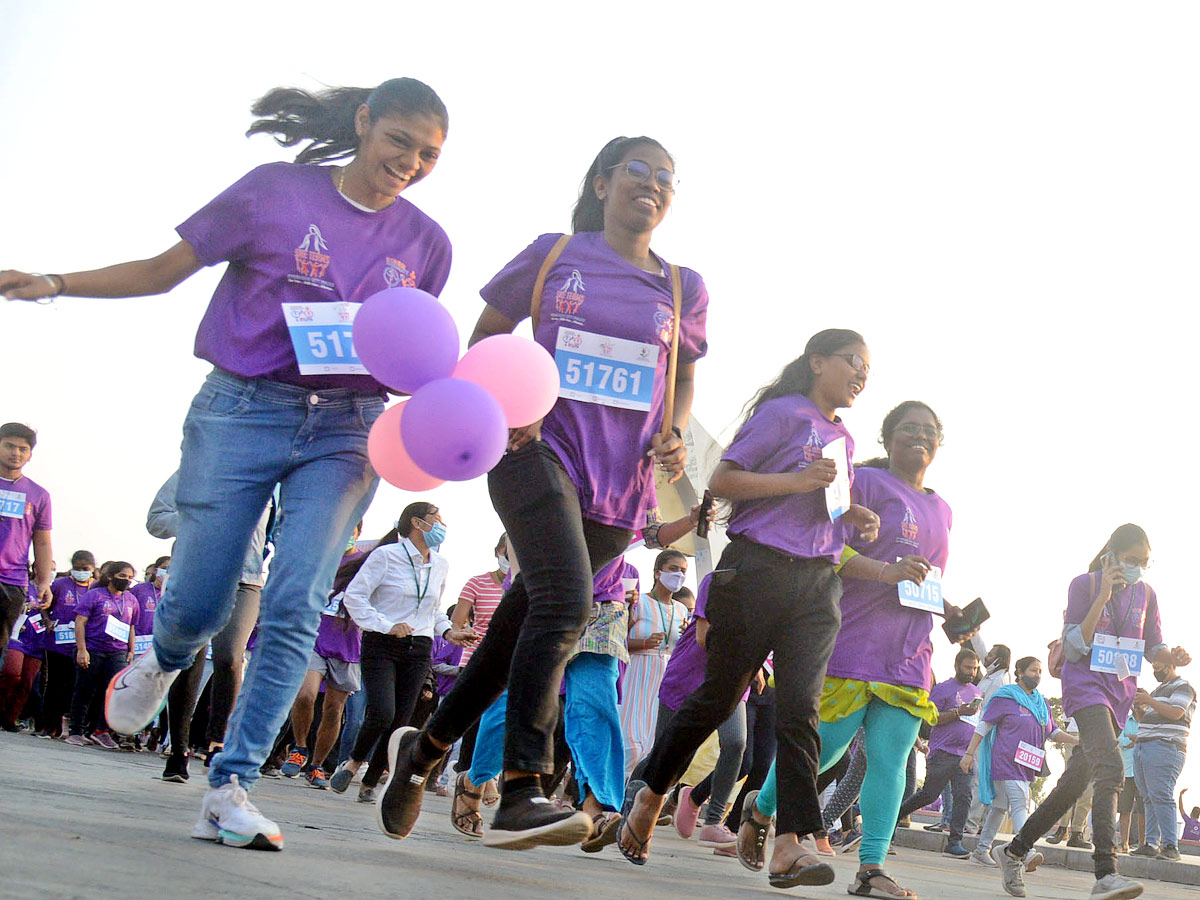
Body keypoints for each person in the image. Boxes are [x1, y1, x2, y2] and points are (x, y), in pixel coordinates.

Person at [1, 77, 455, 849]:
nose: (409, 163)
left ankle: (231, 784)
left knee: (296, 601)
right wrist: (54, 283)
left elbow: (414, 356)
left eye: (429, 155)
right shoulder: (273, 193)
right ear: (363, 121)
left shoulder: (426, 244)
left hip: (347, 430)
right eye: (398, 142)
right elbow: (161, 269)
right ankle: (166, 657)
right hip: (241, 409)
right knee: (204, 600)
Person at [375, 134, 708, 849]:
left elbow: (680, 376)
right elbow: (489, 330)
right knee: (563, 603)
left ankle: (424, 751)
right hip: (534, 451)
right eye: (636, 172)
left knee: (510, 639)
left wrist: (676, 431)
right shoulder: (556, 255)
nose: (651, 186)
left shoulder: (683, 287)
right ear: (600, 182)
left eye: (666, 179)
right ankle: (522, 787)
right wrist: (506, 401)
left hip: (620, 489)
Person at [618, 329, 880, 885]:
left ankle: (788, 842)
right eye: (852, 362)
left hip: (816, 585)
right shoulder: (784, 414)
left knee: (801, 710)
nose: (861, 374)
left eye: (867, 368)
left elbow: (822, 505)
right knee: (717, 697)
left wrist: (850, 515)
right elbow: (722, 481)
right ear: (817, 361)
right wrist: (797, 480)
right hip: (756, 570)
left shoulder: (845, 438)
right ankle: (651, 795)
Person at [740, 400, 975, 897]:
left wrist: (946, 607)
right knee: (824, 751)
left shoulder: (942, 509)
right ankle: (760, 808)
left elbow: (921, 573)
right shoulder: (863, 483)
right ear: (886, 439)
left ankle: (871, 868)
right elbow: (827, 548)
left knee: (891, 765)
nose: (920, 436)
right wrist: (886, 573)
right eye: (908, 428)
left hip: (909, 652)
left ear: (939, 444)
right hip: (849, 639)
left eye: (929, 431)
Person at [991, 524, 1190, 900]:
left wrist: (1171, 656)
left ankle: (1014, 850)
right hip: (1086, 690)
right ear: (1110, 556)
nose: (1137, 569)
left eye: (1144, 563)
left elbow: (1153, 648)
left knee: (1073, 784)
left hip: (1119, 696)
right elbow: (1076, 645)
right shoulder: (1083, 585)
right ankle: (1105, 873)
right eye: (1132, 560)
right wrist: (1101, 596)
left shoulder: (1146, 594)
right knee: (1112, 770)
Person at [328, 503, 474, 803]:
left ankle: (370, 781)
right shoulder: (386, 556)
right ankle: (354, 761)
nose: (442, 526)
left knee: (401, 724)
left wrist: (449, 632)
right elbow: (355, 598)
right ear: (417, 524)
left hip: (419, 648)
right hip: (382, 645)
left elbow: (432, 610)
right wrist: (385, 625)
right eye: (438, 519)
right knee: (382, 711)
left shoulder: (440, 564)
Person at [148, 471, 273, 783]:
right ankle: (178, 750)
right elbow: (156, 520)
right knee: (188, 659)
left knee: (230, 657)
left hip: (246, 578)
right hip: (196, 572)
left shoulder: (276, 480)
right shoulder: (200, 467)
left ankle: (217, 742)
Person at [650, 573, 752, 851]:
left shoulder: (776, 592)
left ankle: (712, 822)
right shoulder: (718, 581)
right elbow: (703, 636)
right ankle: (633, 806)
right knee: (670, 752)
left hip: (733, 678)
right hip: (691, 676)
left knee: (736, 743)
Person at [960, 656, 1077, 869]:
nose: (1037, 675)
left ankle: (980, 850)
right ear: (1020, 672)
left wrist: (1076, 741)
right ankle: (1027, 850)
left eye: (1040, 671)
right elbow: (984, 725)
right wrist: (969, 754)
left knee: (999, 807)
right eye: (1033, 670)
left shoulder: (1041, 702)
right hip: (1005, 760)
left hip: (1027, 763)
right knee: (1020, 802)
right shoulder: (1006, 697)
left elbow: (1053, 731)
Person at [284, 526, 366, 789]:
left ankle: (317, 765)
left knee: (334, 710)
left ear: (358, 530)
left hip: (348, 644)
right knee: (305, 695)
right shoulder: (321, 557)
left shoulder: (366, 562)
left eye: (352, 527)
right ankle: (299, 748)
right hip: (314, 638)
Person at [891, 649, 981, 859]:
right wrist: (959, 712)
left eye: (975, 668)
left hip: (965, 754)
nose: (971, 672)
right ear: (957, 666)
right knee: (929, 794)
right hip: (942, 752)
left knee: (964, 796)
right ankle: (892, 821)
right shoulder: (942, 689)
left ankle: (954, 842)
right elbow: (931, 718)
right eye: (968, 667)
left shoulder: (976, 691)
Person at [620, 549, 690, 777]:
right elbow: (619, 641)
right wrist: (644, 643)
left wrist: (686, 637)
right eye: (673, 569)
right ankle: (610, 804)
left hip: (665, 679)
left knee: (653, 743)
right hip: (637, 674)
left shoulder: (681, 610)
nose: (678, 575)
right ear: (658, 572)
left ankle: (634, 799)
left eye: (683, 571)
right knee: (631, 743)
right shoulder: (639, 603)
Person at [65, 562, 139, 748]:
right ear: (110, 577)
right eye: (122, 576)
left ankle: (101, 730)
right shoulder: (94, 595)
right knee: (85, 689)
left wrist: (131, 650)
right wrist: (82, 649)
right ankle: (76, 730)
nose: (127, 580)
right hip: (93, 648)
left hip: (117, 651)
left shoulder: (131, 600)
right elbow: (80, 622)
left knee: (113, 691)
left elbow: (131, 627)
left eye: (130, 577)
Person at [1129, 654, 1194, 860]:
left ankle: (1170, 846)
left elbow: (1176, 712)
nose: (1156, 671)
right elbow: (1146, 718)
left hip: (1165, 746)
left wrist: (1149, 700)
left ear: (1171, 665)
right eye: (1154, 668)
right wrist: (1140, 708)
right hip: (1145, 744)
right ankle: (1150, 842)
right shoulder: (1157, 692)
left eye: (1160, 668)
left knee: (1161, 794)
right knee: (1148, 796)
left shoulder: (1183, 687)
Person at [0, 423, 53, 665]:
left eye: (23, 449)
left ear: (30, 454)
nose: (16, 453)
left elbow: (42, 542)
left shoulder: (39, 495)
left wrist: (43, 581)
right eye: (9, 446)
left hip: (12, 584)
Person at [35, 551, 95, 737]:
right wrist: (47, 621)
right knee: (54, 684)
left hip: (81, 645)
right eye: (77, 568)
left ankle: (62, 723)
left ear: (93, 569)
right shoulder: (60, 584)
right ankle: (47, 725)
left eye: (85, 569)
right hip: (57, 643)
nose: (81, 572)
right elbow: (45, 607)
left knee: (72, 685)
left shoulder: (96, 589)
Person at [1116, 714, 1143, 854]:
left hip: (1143, 772)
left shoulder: (1149, 721)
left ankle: (1143, 844)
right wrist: (1137, 740)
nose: (1138, 706)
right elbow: (1120, 740)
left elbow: (1149, 742)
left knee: (1143, 810)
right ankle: (1124, 843)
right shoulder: (1124, 720)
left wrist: (1134, 738)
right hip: (1126, 771)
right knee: (1124, 809)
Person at [132, 558, 169, 640]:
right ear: (156, 570)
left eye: (171, 569)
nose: (167, 571)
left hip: (162, 640)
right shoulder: (139, 589)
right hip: (139, 639)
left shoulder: (174, 593)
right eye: (164, 568)